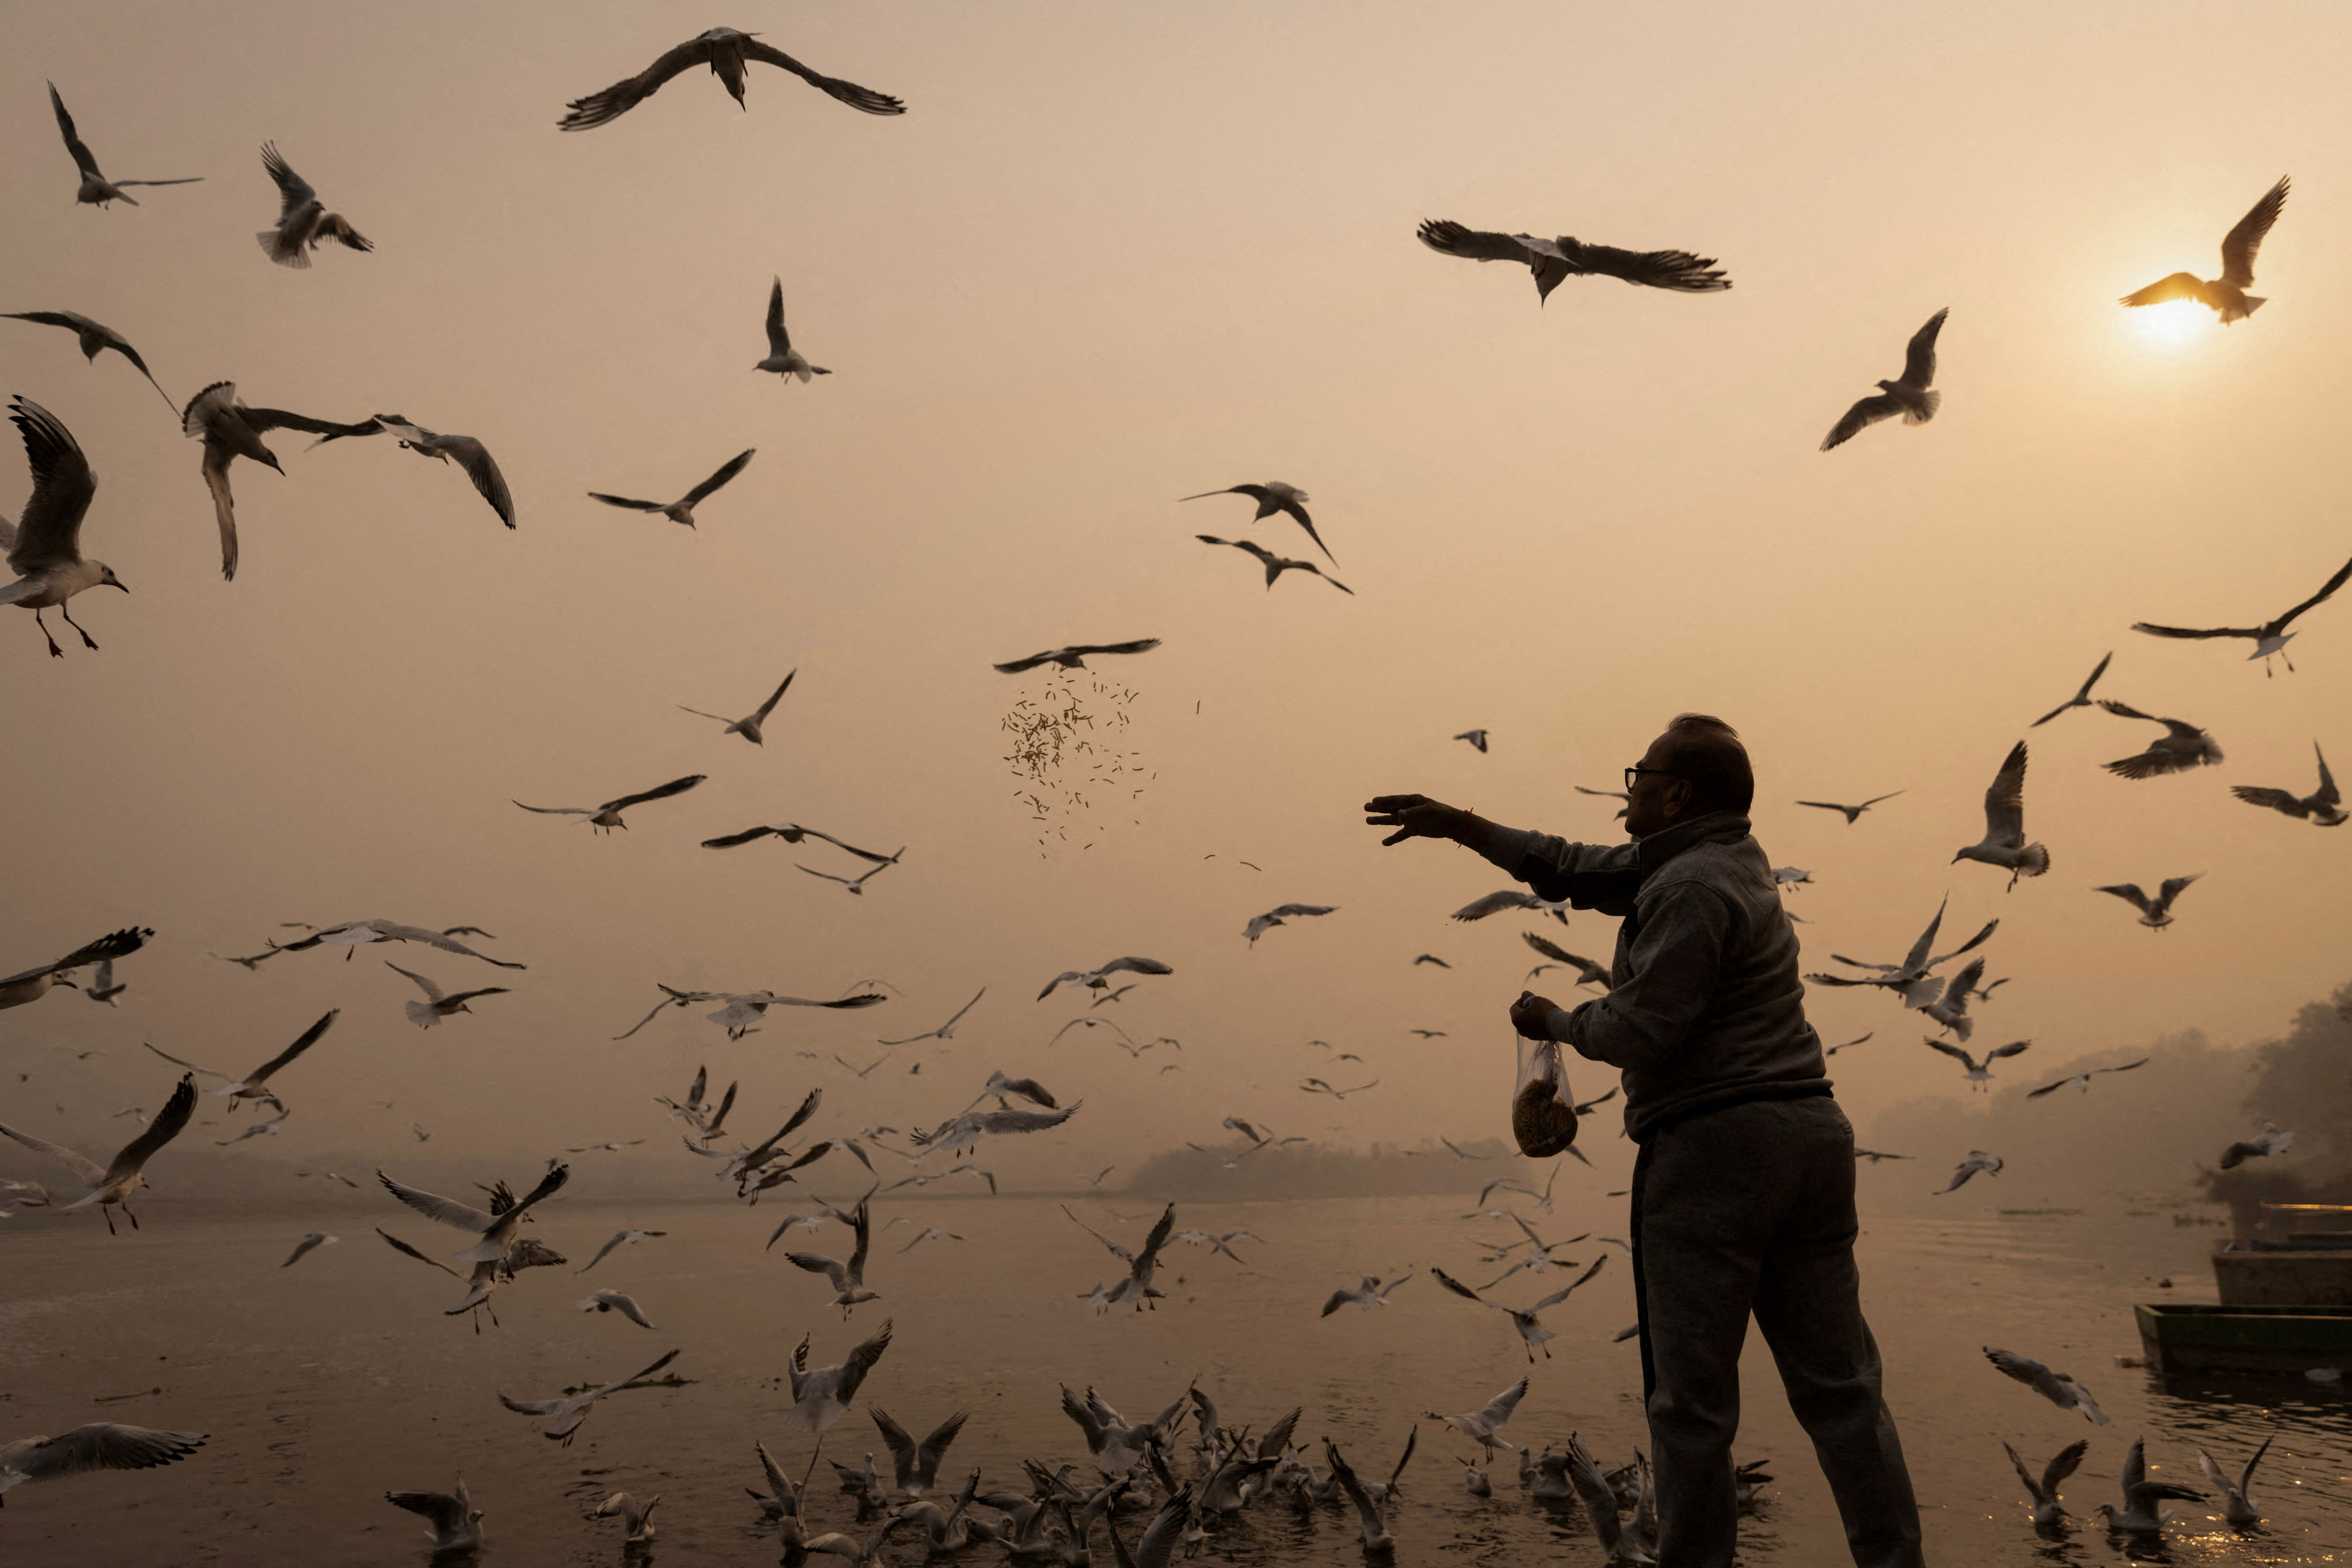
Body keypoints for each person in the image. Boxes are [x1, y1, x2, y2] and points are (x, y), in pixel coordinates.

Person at [1364, 713, 1924, 1568]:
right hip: (1811, 1139)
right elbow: (1573, 868)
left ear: (1678, 793)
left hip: (1716, 1149)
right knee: (1845, 1394)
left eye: (1641, 776)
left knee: (1690, 1407)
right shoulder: (1724, 863)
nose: (1629, 789)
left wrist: (1555, 1019)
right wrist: (1464, 826)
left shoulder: (1692, 888)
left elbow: (1642, 1030)